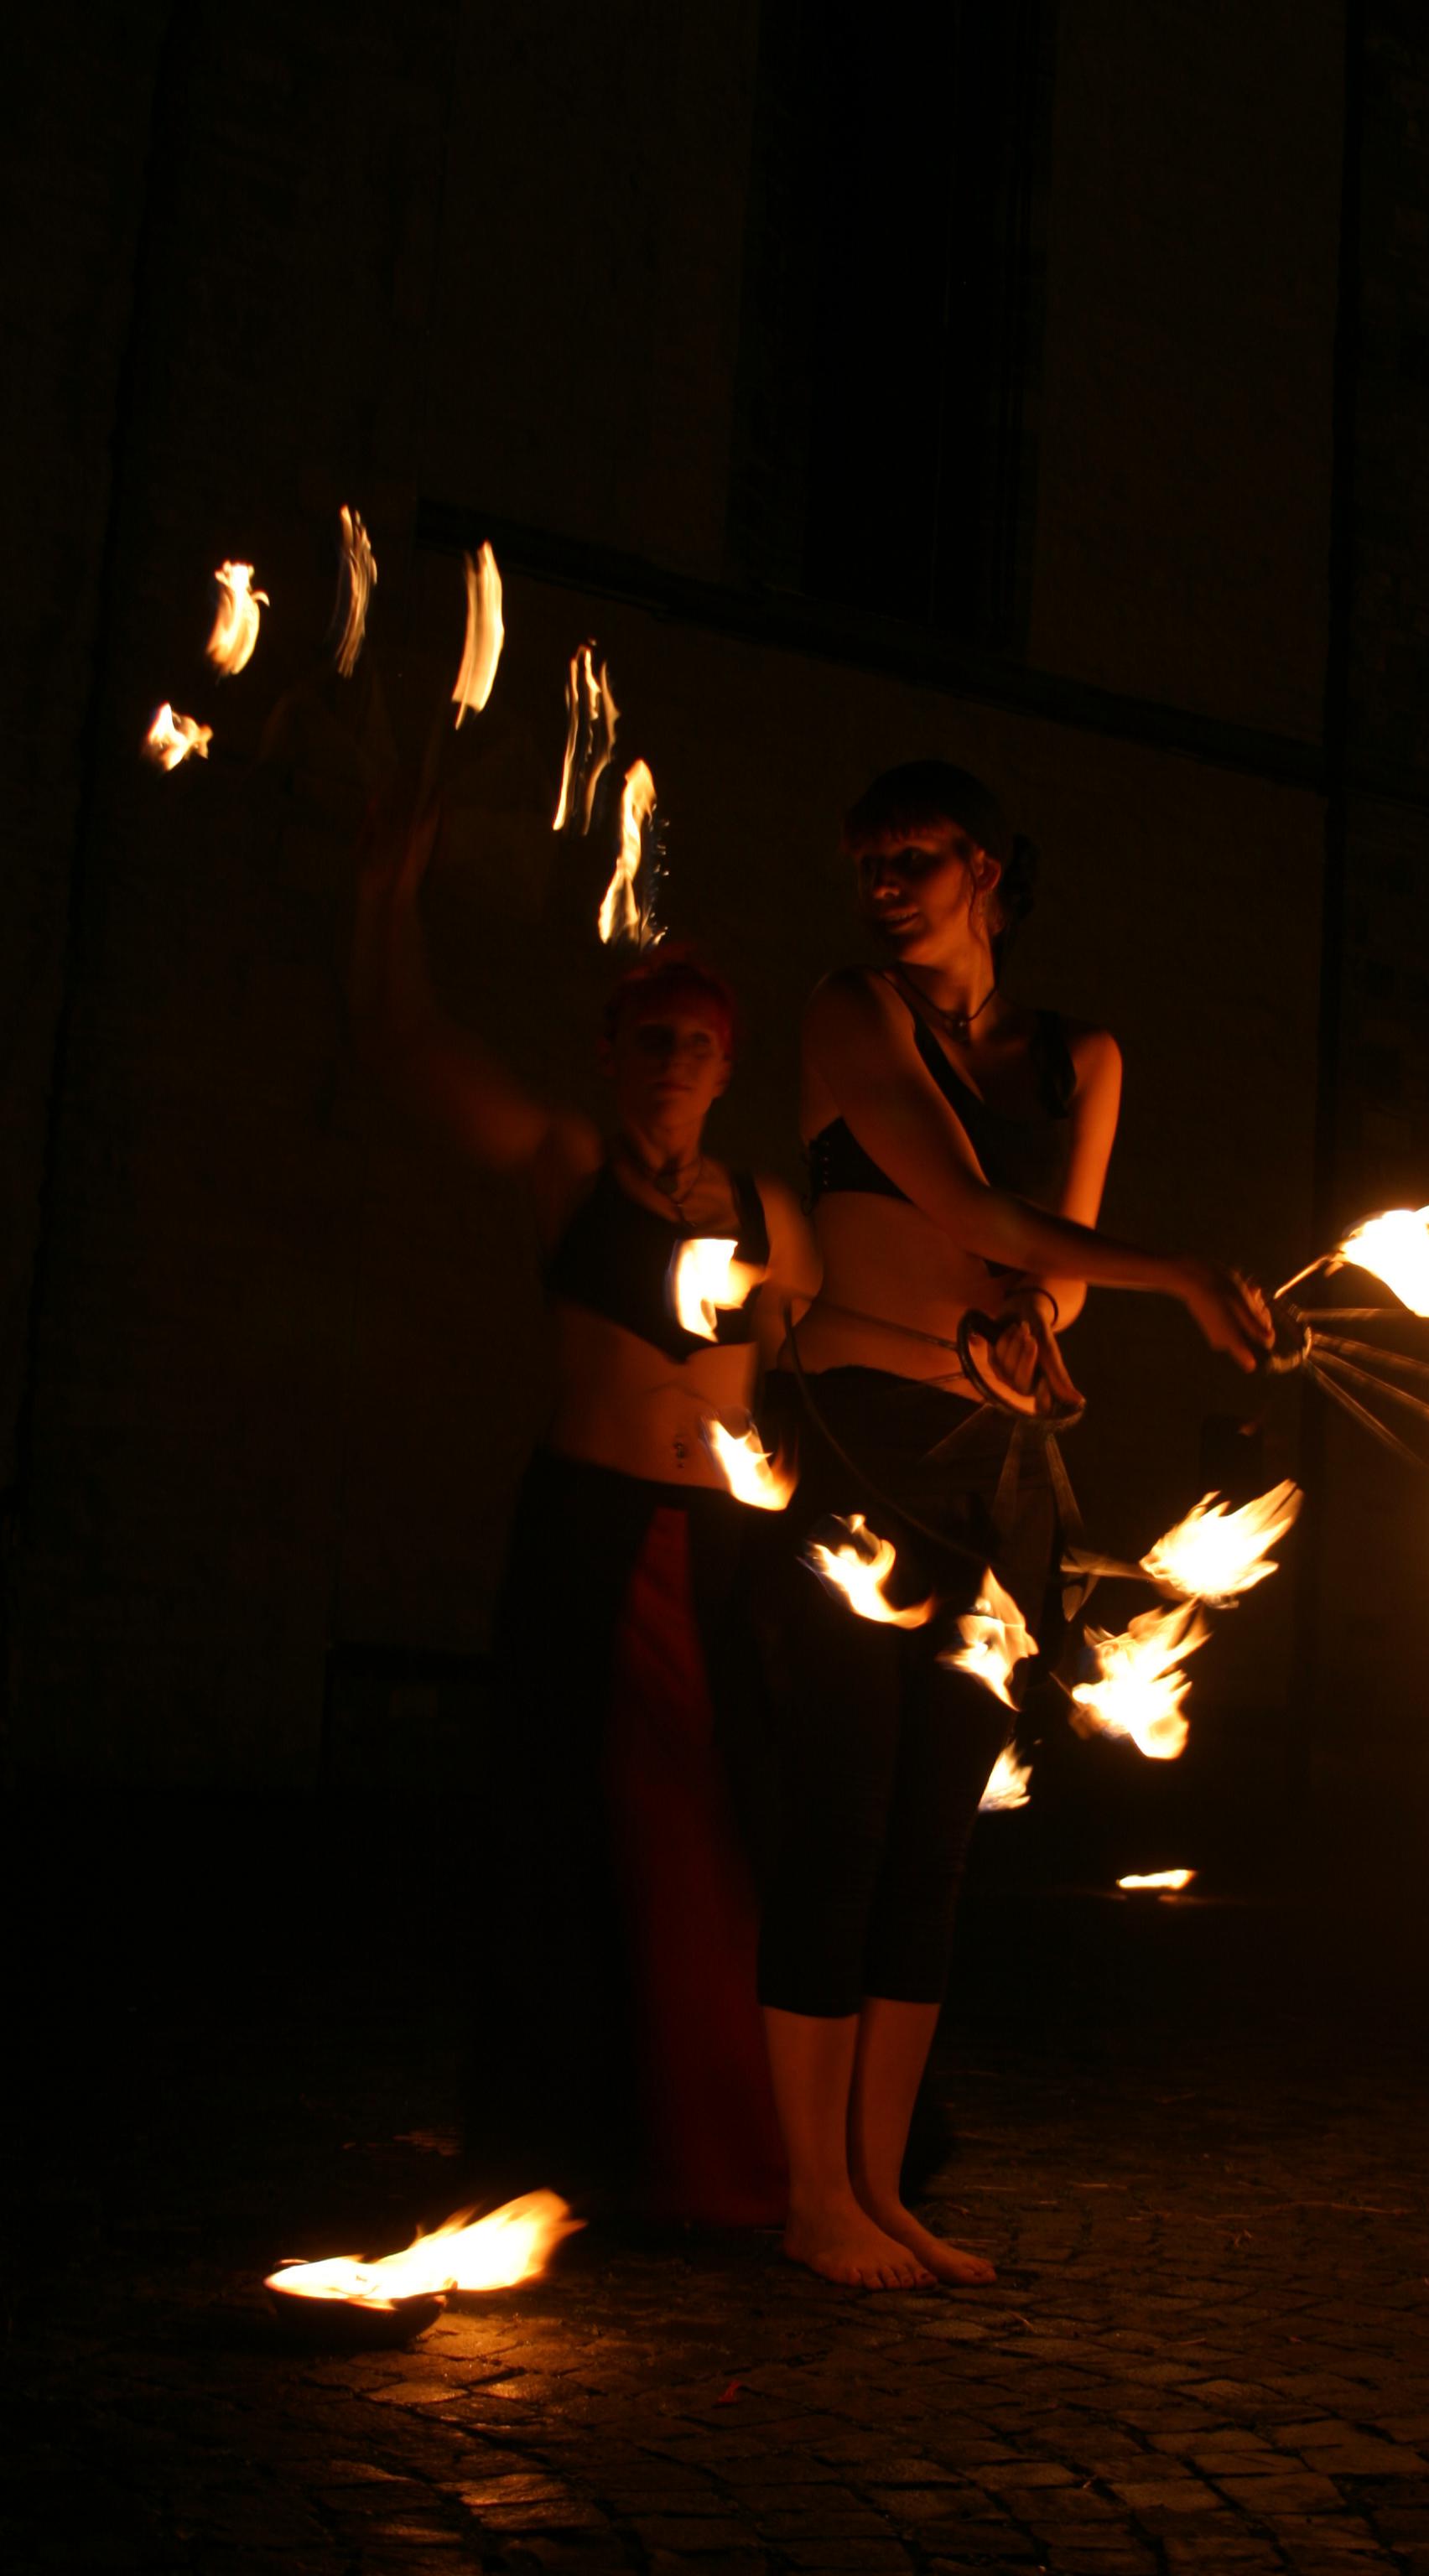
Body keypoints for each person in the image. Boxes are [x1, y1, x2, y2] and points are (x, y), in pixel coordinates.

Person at [755, 760, 1271, 2291]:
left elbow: (1050, 1265)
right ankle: (811, 2197)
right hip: (861, 1448)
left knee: (935, 1840)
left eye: (914, 856)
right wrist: (1181, 1275)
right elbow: (969, 1209)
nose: (883, 883)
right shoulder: (850, 1012)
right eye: (867, 859)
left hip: (1000, 1473)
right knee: (844, 1819)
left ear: (987, 870)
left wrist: (1029, 1328)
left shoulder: (1079, 1059)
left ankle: (881, 2186)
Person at [350, 801, 818, 2225]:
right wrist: (387, 900)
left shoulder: (774, 1215)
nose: (674, 1059)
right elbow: (410, 1048)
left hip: (723, 1555)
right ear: (613, 1055)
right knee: (578, 1835)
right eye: (651, 1038)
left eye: (698, 1043)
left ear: (728, 1068)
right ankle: (587, 2152)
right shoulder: (567, 1165)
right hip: (588, 1542)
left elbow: (841, 1368)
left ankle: (746, 2154)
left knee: (731, 1829)